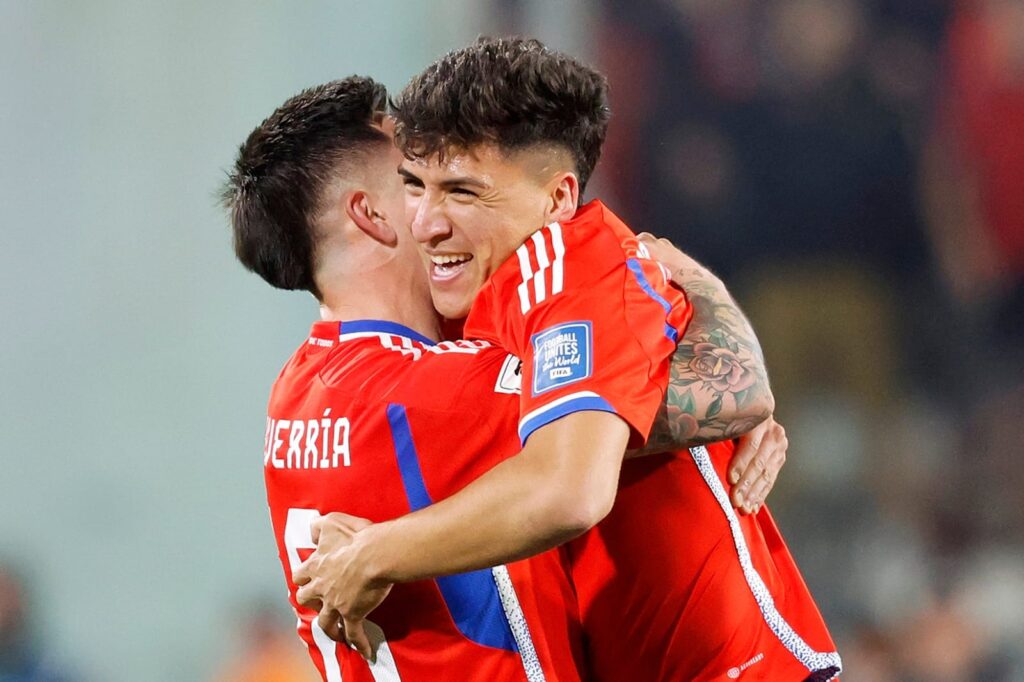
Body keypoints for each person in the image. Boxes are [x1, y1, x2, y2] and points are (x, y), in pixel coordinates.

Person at [297, 38, 841, 681]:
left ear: (557, 201)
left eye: (464, 192)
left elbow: (567, 489)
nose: (426, 223)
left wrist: (373, 554)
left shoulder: (572, 274)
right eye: (415, 186)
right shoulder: (464, 298)